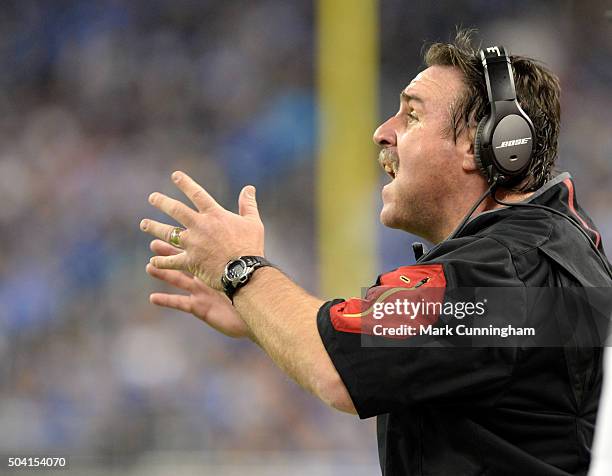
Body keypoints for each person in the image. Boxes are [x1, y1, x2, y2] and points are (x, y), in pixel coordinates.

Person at [139, 30, 611, 475]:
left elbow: (336, 368)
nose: (383, 132)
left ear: (485, 143)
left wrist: (241, 270)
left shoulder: (503, 274)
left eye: (413, 115)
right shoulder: (543, 252)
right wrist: (262, 312)